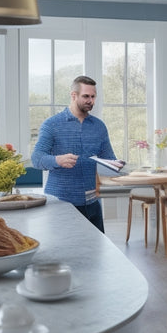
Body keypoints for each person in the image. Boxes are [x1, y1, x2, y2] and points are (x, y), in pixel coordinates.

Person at [31, 75, 117, 233]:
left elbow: (109, 159)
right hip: (60, 204)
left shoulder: (99, 127)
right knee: (63, 255)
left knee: (96, 254)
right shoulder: (52, 124)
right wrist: (57, 160)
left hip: (92, 204)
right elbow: (36, 158)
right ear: (73, 95)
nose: (90, 100)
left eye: (93, 96)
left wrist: (116, 165)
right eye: (86, 96)